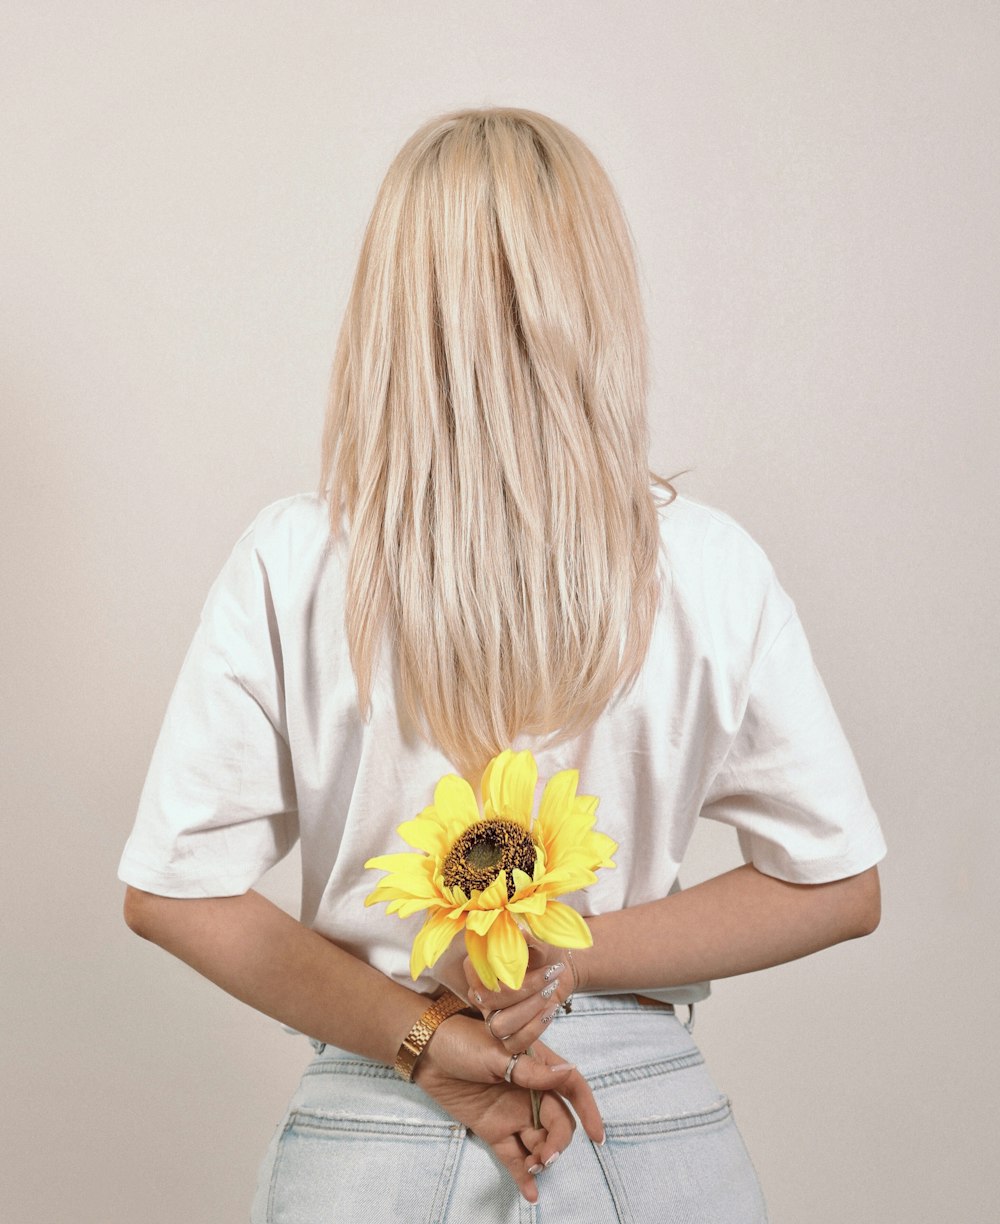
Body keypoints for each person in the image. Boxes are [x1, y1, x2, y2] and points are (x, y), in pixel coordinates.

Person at [118, 106, 886, 1222]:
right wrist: (558, 955)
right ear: (598, 296)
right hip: (643, 1127)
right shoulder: (707, 566)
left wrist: (427, 1033)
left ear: (386, 304)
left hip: (381, 1112)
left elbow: (173, 892)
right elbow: (836, 882)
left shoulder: (292, 559)